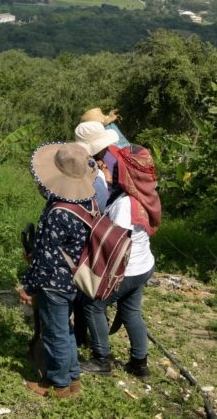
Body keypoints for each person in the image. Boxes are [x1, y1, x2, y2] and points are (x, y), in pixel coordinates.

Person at [75, 122, 156, 378]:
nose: (108, 167)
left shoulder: (124, 205)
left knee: (92, 306)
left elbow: (114, 245)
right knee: (131, 310)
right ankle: (139, 364)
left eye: (114, 168)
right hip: (143, 266)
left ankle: (101, 359)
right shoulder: (144, 195)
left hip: (128, 268)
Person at [19, 143, 98, 398]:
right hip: (73, 278)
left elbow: (46, 259)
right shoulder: (88, 202)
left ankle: (57, 384)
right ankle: (73, 379)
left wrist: (28, 286)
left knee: (55, 333)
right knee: (65, 329)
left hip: (55, 282)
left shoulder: (59, 212)